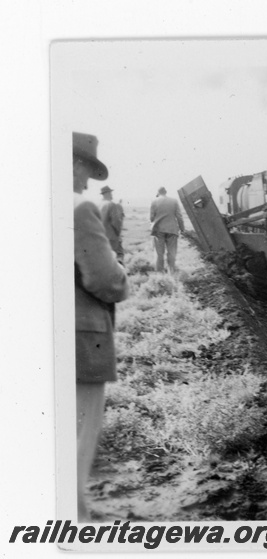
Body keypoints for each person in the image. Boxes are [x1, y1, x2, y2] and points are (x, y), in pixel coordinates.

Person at [73, 132, 129, 521]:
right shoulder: (78, 208)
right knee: (79, 433)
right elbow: (105, 279)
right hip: (80, 337)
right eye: (86, 171)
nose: (86, 181)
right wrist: (122, 272)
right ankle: (72, 521)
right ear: (74, 164)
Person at [150, 186, 185, 273]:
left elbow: (151, 218)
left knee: (159, 254)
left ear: (158, 193)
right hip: (172, 230)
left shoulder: (154, 201)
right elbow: (179, 216)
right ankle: (171, 273)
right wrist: (182, 228)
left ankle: (159, 275)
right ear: (166, 192)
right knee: (172, 253)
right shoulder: (174, 201)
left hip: (158, 230)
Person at [99, 185, 125, 263]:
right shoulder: (111, 204)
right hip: (112, 238)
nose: (111, 194)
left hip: (101, 237)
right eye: (110, 192)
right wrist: (118, 234)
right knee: (118, 256)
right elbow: (116, 222)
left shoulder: (99, 204)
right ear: (107, 193)